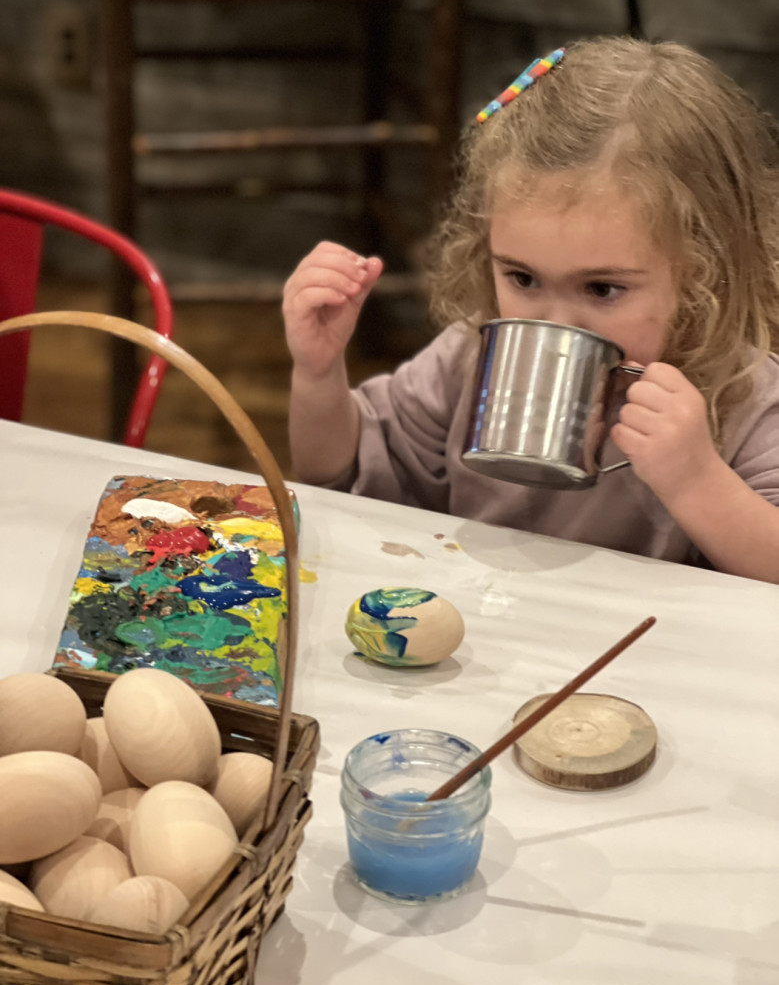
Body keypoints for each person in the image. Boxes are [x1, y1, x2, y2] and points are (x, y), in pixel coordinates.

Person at [281, 36, 779, 583]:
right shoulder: (468, 359)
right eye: (522, 277)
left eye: (602, 289)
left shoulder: (744, 398)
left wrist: (696, 480)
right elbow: (338, 471)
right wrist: (319, 373)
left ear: (701, 269)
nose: (552, 322)